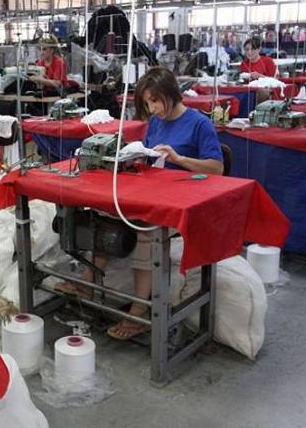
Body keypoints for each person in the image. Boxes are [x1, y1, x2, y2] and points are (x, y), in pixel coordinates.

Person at [55, 67, 224, 340]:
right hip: (152, 194)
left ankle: (140, 312)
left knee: (145, 230)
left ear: (171, 93)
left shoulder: (199, 124)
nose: (152, 108)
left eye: (155, 101)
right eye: (147, 103)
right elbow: (146, 157)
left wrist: (179, 159)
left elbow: (217, 168)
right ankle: (88, 280)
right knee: (104, 213)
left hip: (180, 204)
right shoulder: (156, 122)